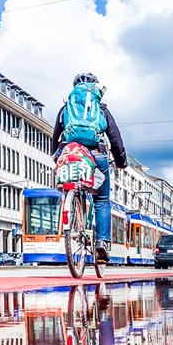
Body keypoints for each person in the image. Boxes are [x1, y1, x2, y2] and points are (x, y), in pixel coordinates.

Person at [52, 73, 128, 262]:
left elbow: (55, 137)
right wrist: (121, 161)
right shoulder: (101, 109)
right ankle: (102, 242)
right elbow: (115, 138)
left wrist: (56, 156)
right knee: (102, 200)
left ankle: (72, 215)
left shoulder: (65, 108)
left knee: (70, 187)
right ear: (95, 89)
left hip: (70, 153)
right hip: (96, 155)